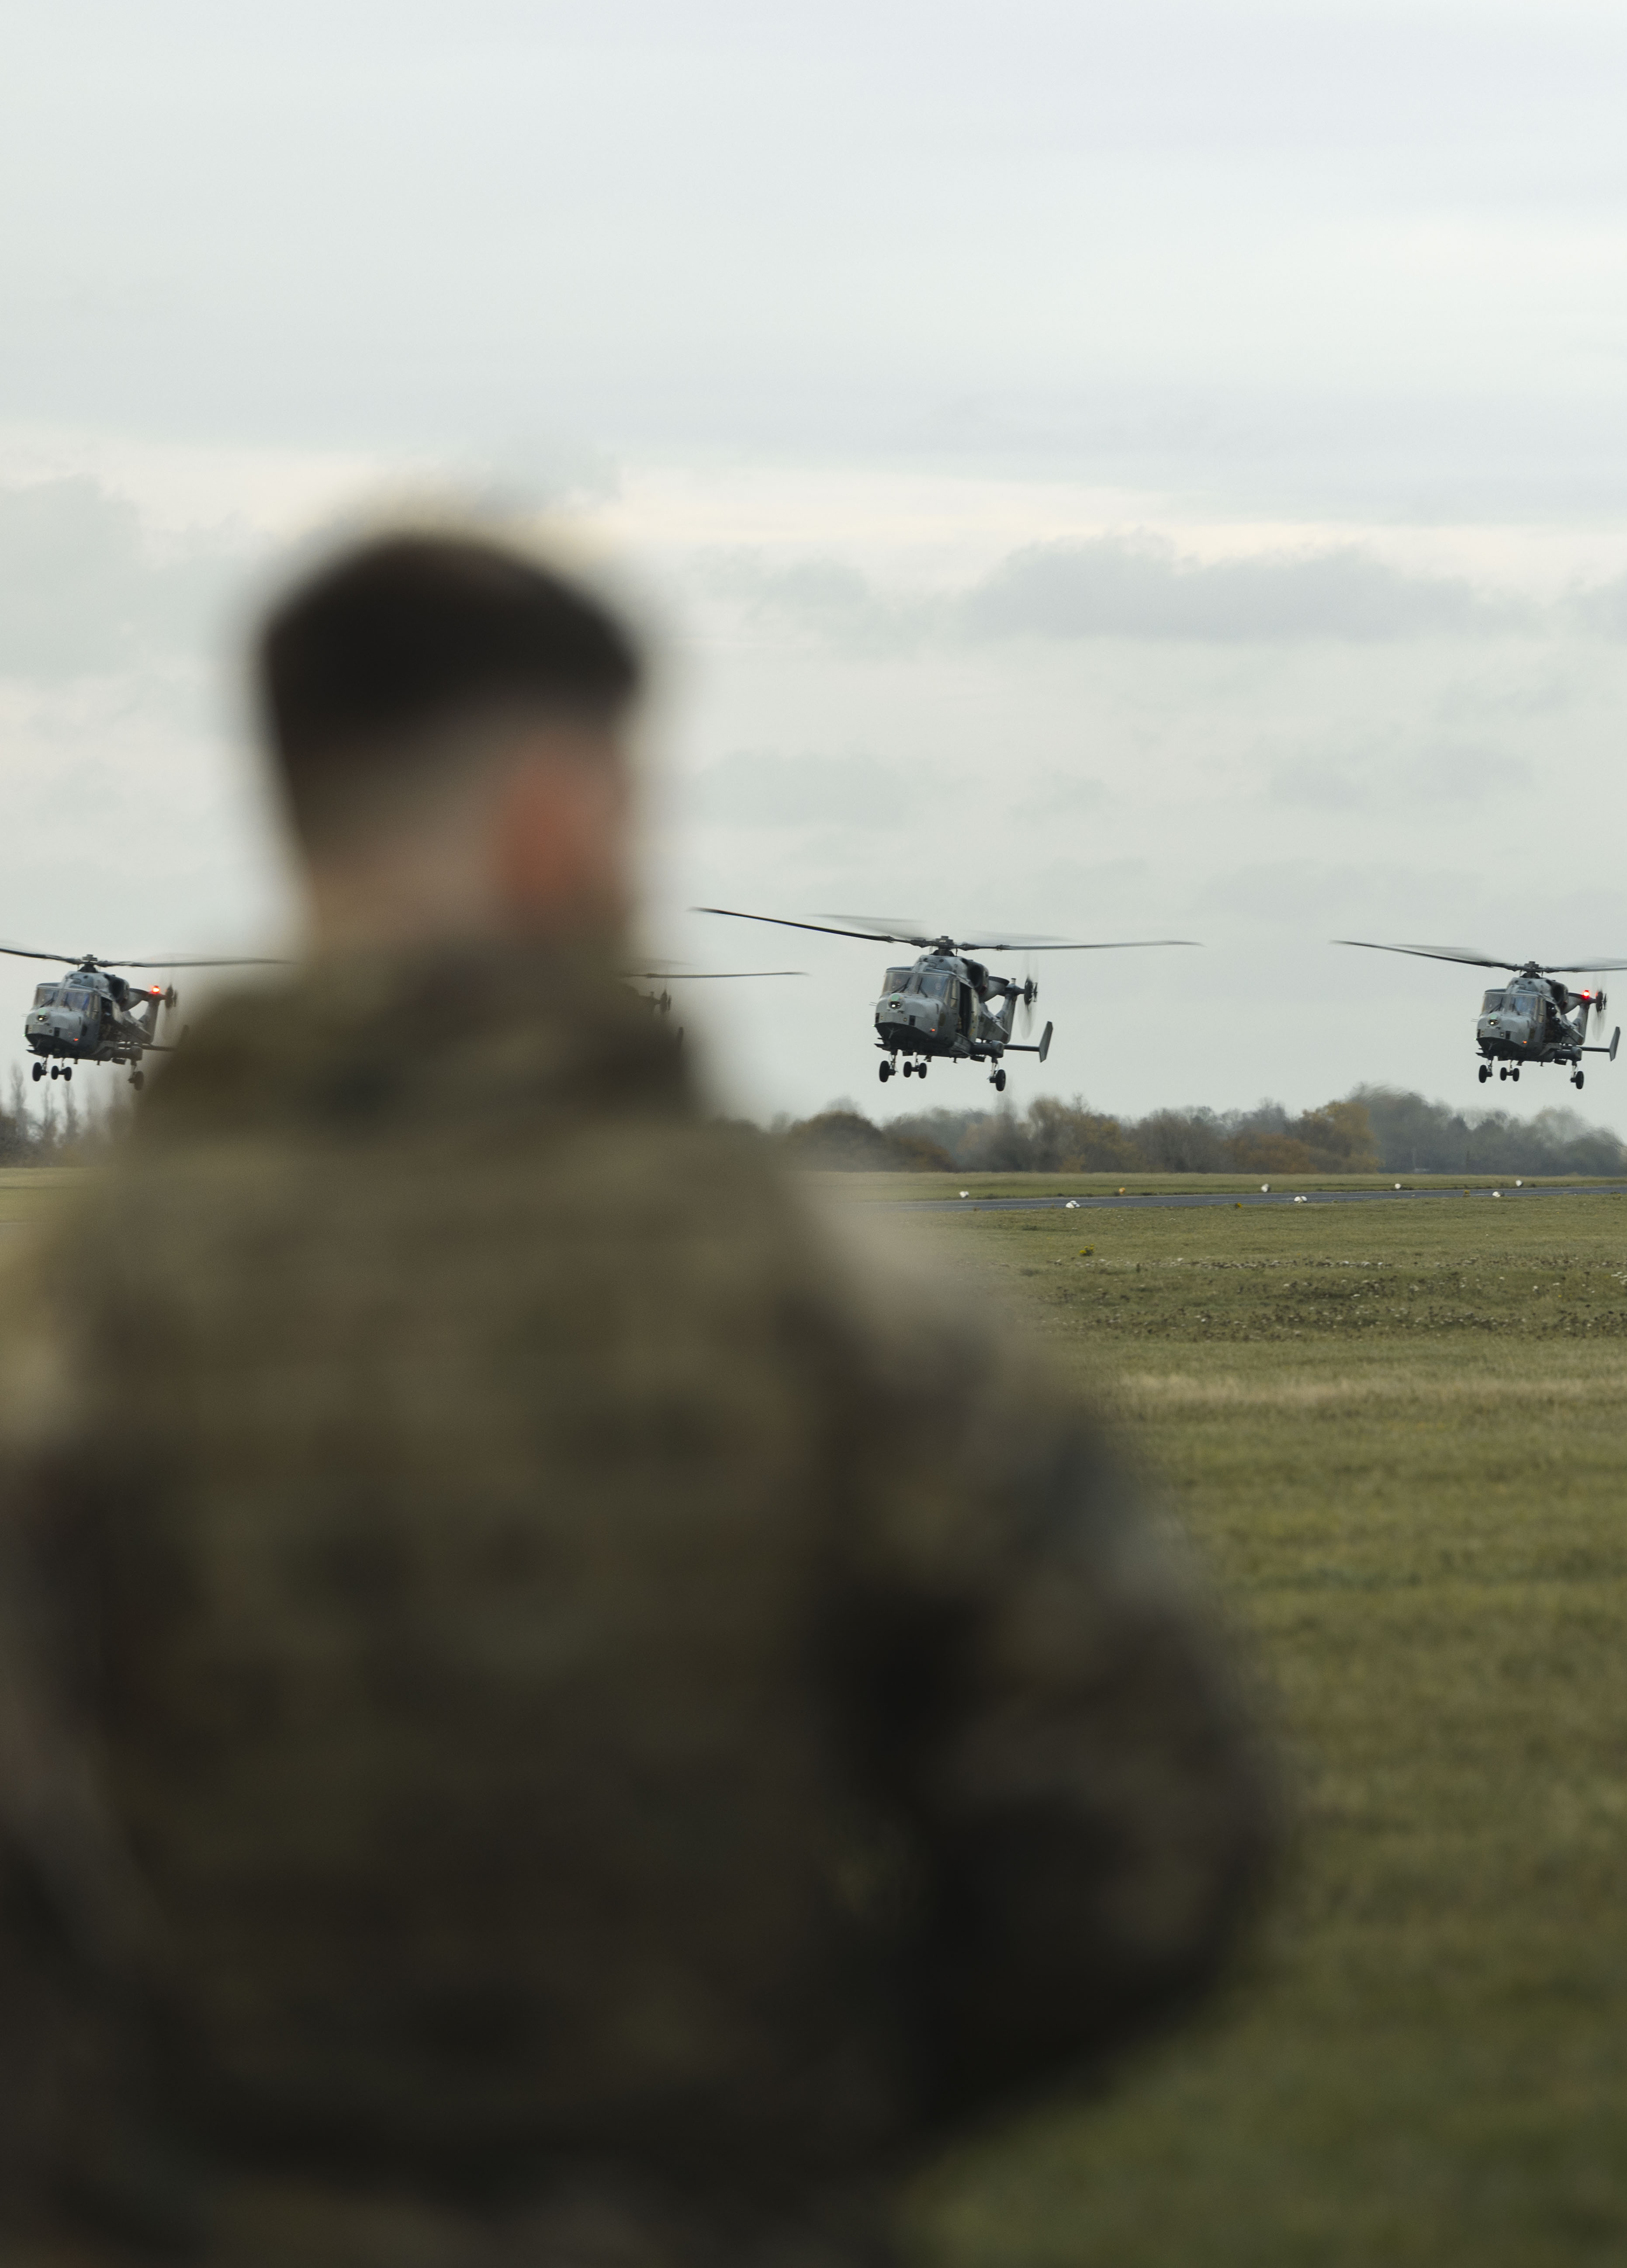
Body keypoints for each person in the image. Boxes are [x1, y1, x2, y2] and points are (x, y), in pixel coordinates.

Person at [0, 531, 1282, 2266]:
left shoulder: (68, 1311)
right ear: (558, 815)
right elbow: (1148, 1841)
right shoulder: (839, 1295)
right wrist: (785, 2110)